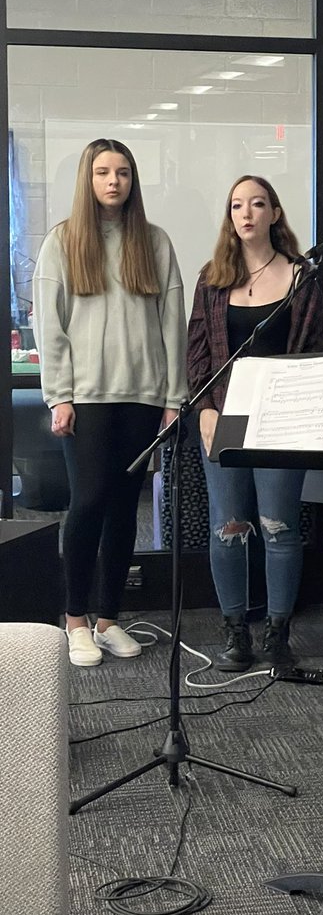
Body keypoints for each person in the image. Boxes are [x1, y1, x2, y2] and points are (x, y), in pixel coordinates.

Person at [33, 138, 187, 668]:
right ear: (88, 179)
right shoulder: (63, 242)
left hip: (144, 398)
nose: (113, 181)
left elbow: (173, 327)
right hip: (87, 399)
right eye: (103, 172)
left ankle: (108, 618)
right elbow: (49, 326)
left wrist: (174, 399)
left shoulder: (156, 242)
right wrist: (60, 395)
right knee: (91, 498)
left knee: (126, 508)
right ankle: (74, 619)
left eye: (122, 172)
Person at [187, 176, 323, 671]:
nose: (246, 213)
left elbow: (311, 351)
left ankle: (277, 634)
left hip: (282, 420)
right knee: (229, 528)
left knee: (279, 528)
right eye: (237, 206)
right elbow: (199, 353)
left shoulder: (301, 277)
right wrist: (205, 409)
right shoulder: (212, 278)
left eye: (257, 204)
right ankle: (234, 633)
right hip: (223, 417)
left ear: (274, 213)